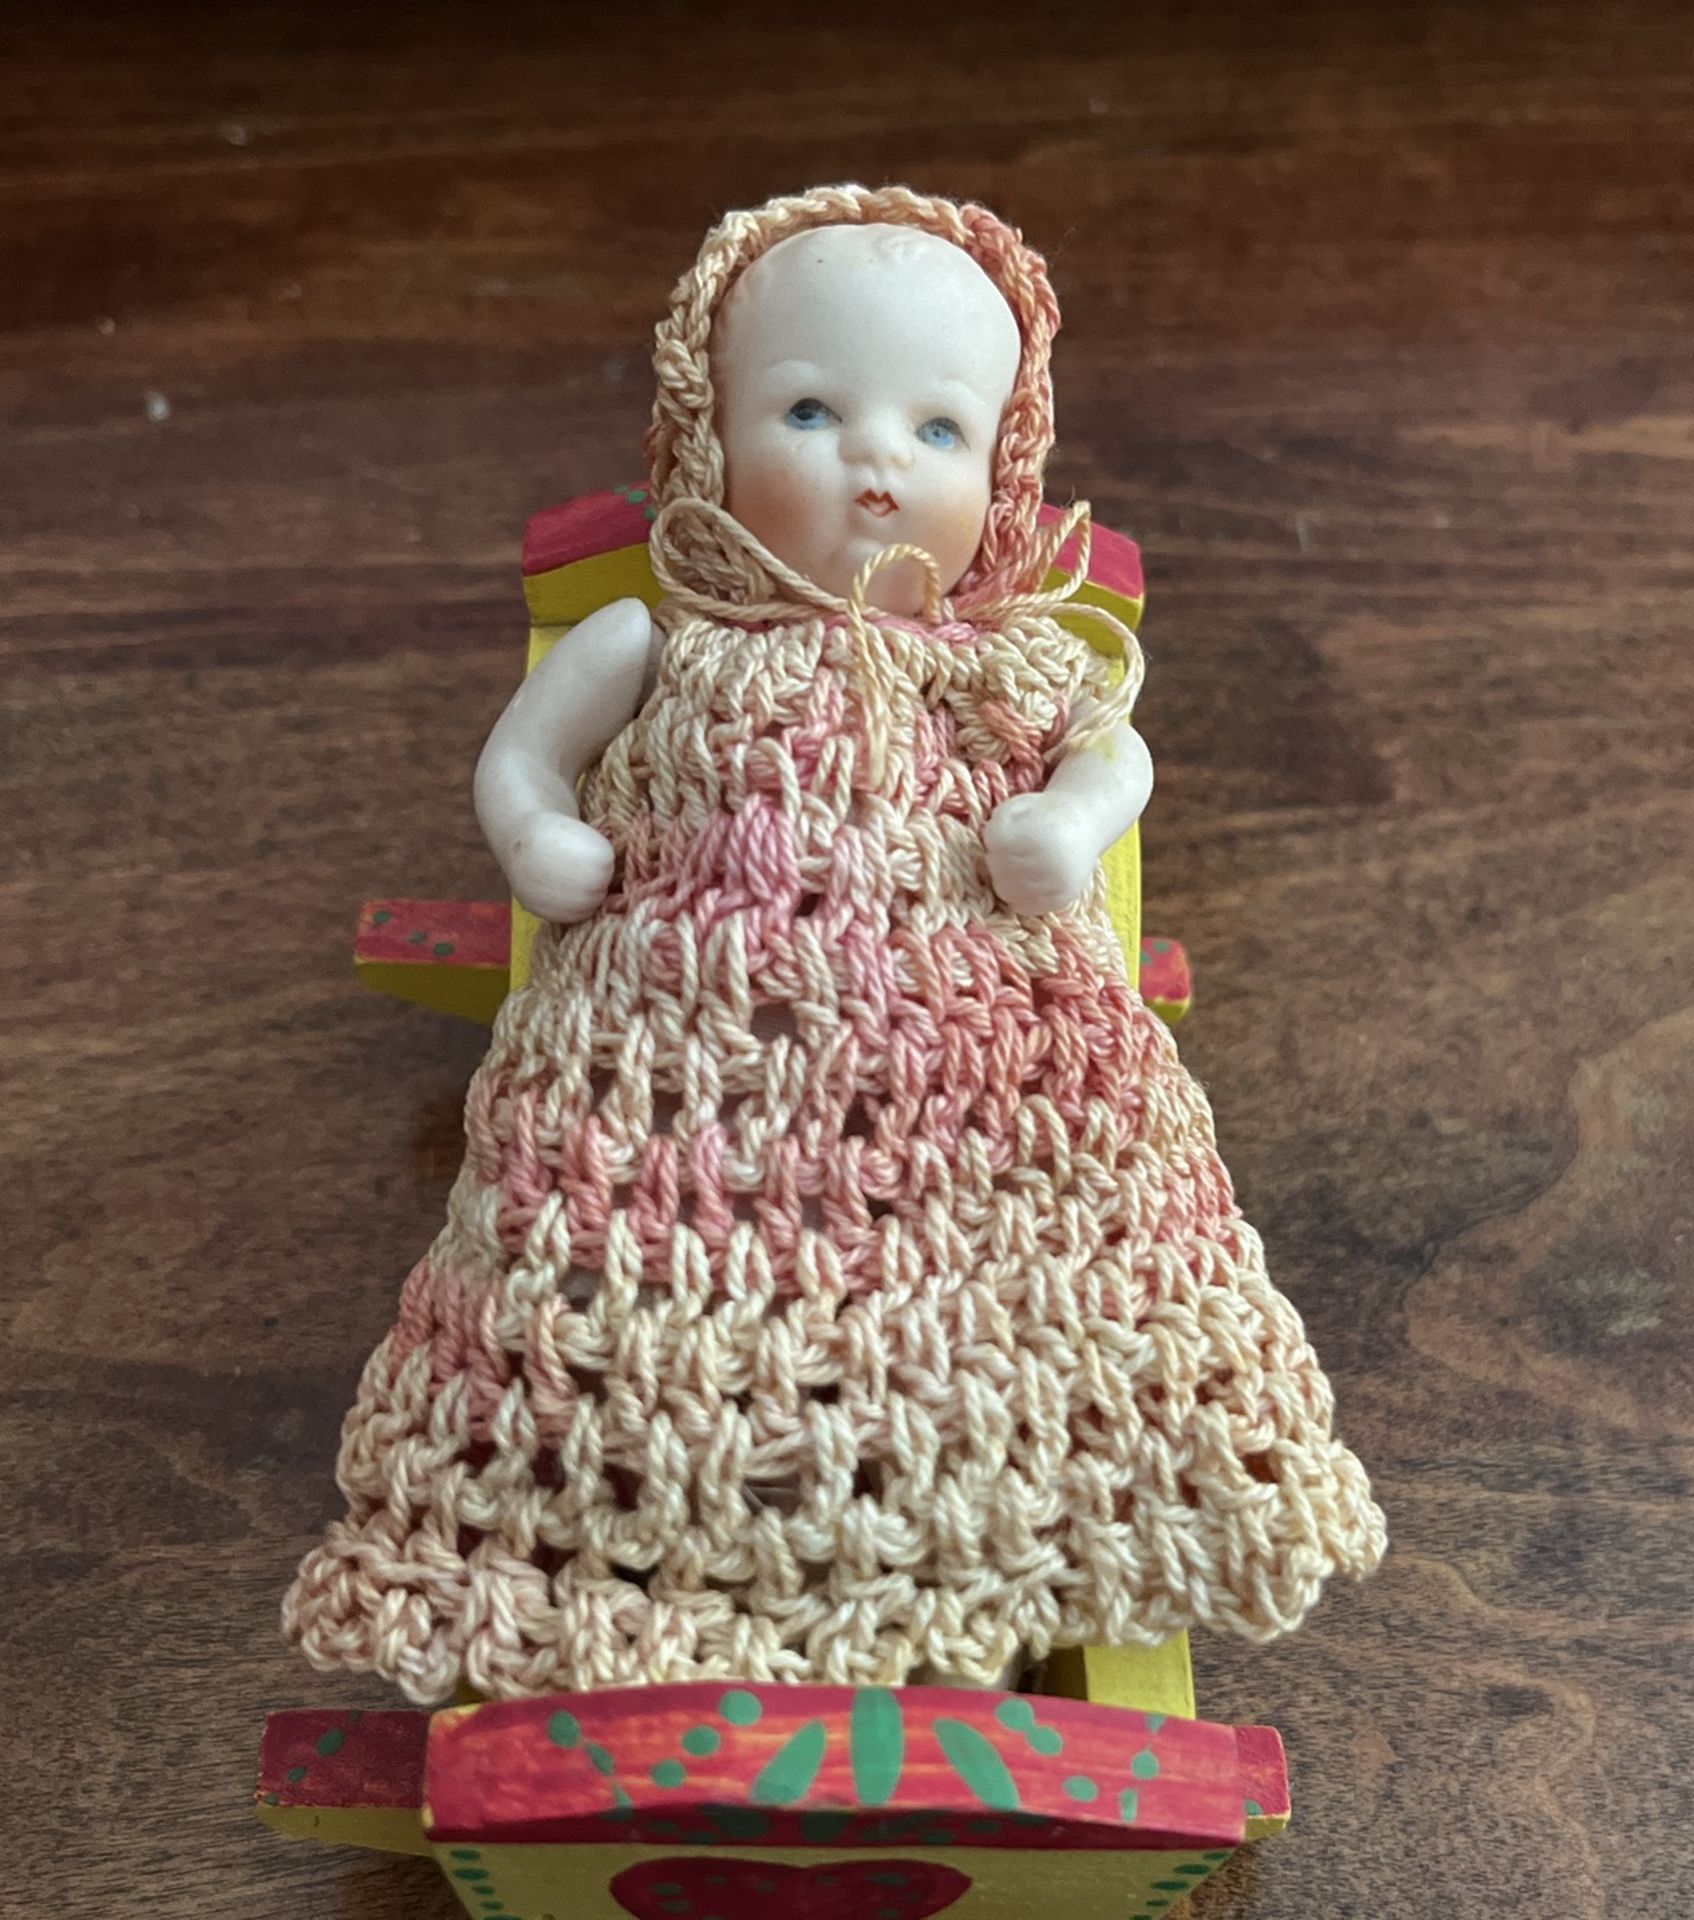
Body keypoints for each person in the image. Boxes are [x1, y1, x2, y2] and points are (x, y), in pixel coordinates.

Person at [285, 184, 1384, 1706]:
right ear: (704, 438)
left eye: (937, 433)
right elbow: (524, 760)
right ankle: (617, 1526)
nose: (876, 459)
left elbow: (1110, 755)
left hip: (980, 1063)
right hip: (677, 1059)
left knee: (1084, 1248)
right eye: (811, 408)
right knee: (586, 1255)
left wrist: (1067, 828)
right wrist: (541, 839)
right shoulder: (665, 642)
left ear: (1001, 475)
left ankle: (1048, 1498)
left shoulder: (1002, 663)